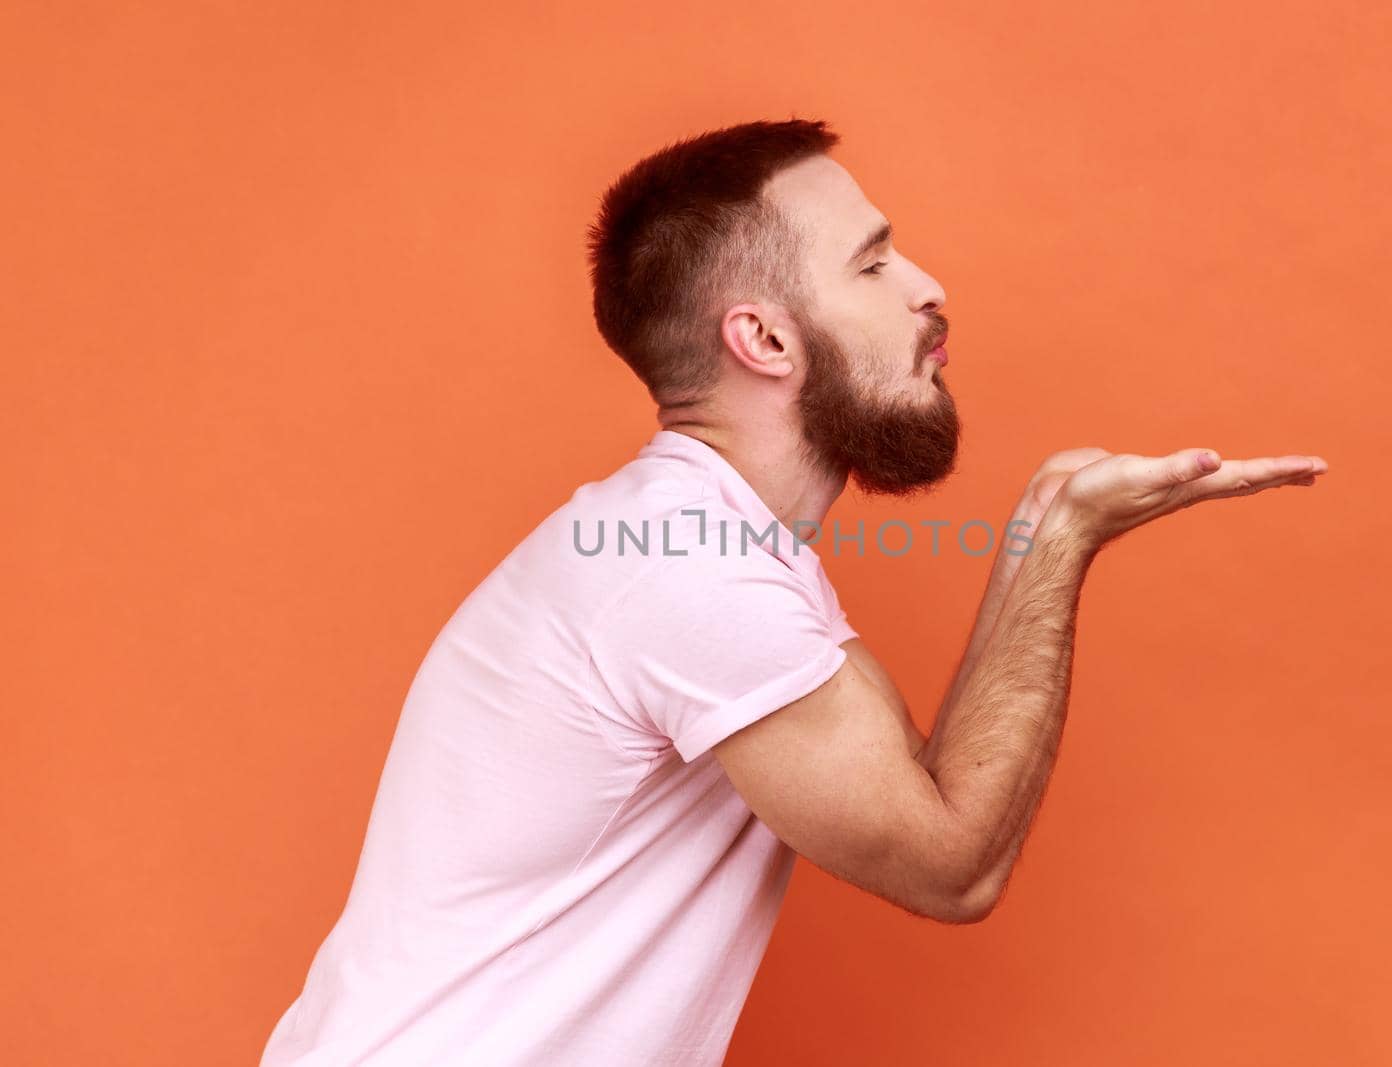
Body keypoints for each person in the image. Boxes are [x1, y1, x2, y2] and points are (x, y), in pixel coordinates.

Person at [260, 117, 1327, 1066]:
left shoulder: (719, 545)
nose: (925, 285)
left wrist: (1044, 526)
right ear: (763, 338)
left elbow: (920, 795)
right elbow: (950, 864)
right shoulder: (685, 566)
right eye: (871, 265)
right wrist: (1059, 542)